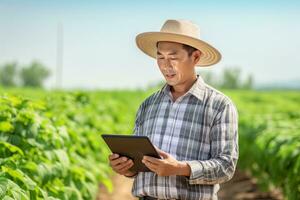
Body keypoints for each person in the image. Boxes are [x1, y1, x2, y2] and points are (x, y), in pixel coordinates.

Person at [108, 19, 238, 200]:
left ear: (196, 57)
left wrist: (181, 169)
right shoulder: (148, 105)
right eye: (160, 57)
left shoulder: (219, 105)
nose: (165, 65)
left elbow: (226, 167)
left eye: (173, 57)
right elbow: (138, 167)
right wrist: (127, 168)